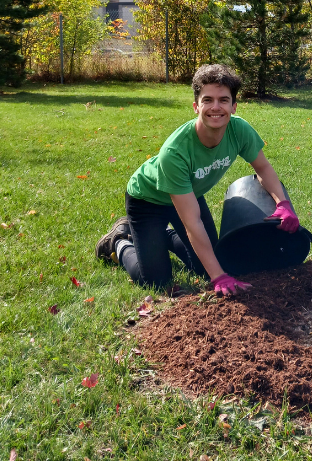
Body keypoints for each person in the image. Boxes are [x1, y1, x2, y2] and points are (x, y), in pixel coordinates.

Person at [95, 64, 298, 295]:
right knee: (156, 280)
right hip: (147, 200)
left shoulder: (239, 130)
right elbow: (193, 222)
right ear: (196, 106)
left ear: (234, 106)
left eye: (223, 100)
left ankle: (162, 236)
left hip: (188, 194)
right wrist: (219, 277)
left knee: (206, 266)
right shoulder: (175, 152)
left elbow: (263, 168)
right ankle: (119, 241)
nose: (215, 107)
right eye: (207, 100)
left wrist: (283, 203)